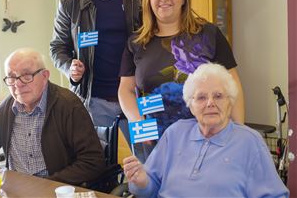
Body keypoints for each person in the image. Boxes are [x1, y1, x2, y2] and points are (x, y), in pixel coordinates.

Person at [118, 0, 245, 157]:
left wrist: (238, 132)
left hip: (209, 137)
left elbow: (233, 83)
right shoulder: (136, 42)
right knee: (154, 186)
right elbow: (125, 90)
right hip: (155, 140)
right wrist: (138, 123)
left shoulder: (208, 34)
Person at [0, 48, 105, 186]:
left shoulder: (68, 105)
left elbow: (92, 161)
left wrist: (45, 184)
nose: (18, 83)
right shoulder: (5, 109)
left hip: (54, 190)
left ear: (44, 76)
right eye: (11, 76)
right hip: (15, 188)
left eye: (26, 75)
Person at [123, 63, 289, 198]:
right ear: (191, 105)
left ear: (230, 101)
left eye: (218, 96)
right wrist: (141, 181)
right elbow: (151, 187)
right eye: (201, 97)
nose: (210, 103)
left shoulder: (249, 142)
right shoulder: (175, 133)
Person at [50, 0, 143, 146]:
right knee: (99, 167)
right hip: (94, 102)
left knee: (145, 159)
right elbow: (57, 47)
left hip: (137, 97)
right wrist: (69, 68)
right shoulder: (70, 2)